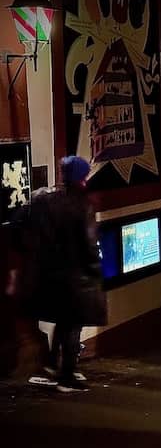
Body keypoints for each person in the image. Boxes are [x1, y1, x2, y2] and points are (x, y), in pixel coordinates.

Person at [14, 156, 107, 392]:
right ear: (82, 177)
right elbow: (89, 244)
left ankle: (54, 367)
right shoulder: (82, 204)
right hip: (76, 276)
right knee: (73, 324)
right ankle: (66, 377)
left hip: (50, 273)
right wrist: (97, 270)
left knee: (63, 321)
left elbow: (18, 223)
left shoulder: (42, 198)